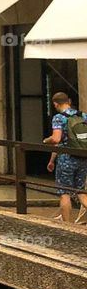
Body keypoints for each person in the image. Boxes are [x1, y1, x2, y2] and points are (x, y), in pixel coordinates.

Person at [45, 92, 87, 225]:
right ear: (68, 101)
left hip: (66, 159)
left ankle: (67, 224)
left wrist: (46, 140)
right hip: (82, 157)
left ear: (55, 104)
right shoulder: (83, 115)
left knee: (65, 192)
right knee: (80, 191)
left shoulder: (59, 118)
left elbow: (56, 139)